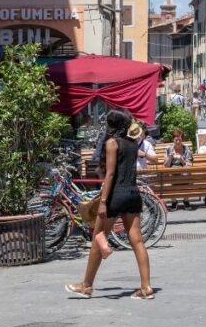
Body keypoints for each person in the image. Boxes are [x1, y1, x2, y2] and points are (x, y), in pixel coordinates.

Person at [65, 109, 155, 300]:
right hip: (133, 193)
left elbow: (111, 174)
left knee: (98, 236)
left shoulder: (112, 143)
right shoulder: (132, 144)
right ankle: (146, 287)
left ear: (111, 126)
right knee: (137, 241)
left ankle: (86, 285)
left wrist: (103, 202)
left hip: (116, 195)